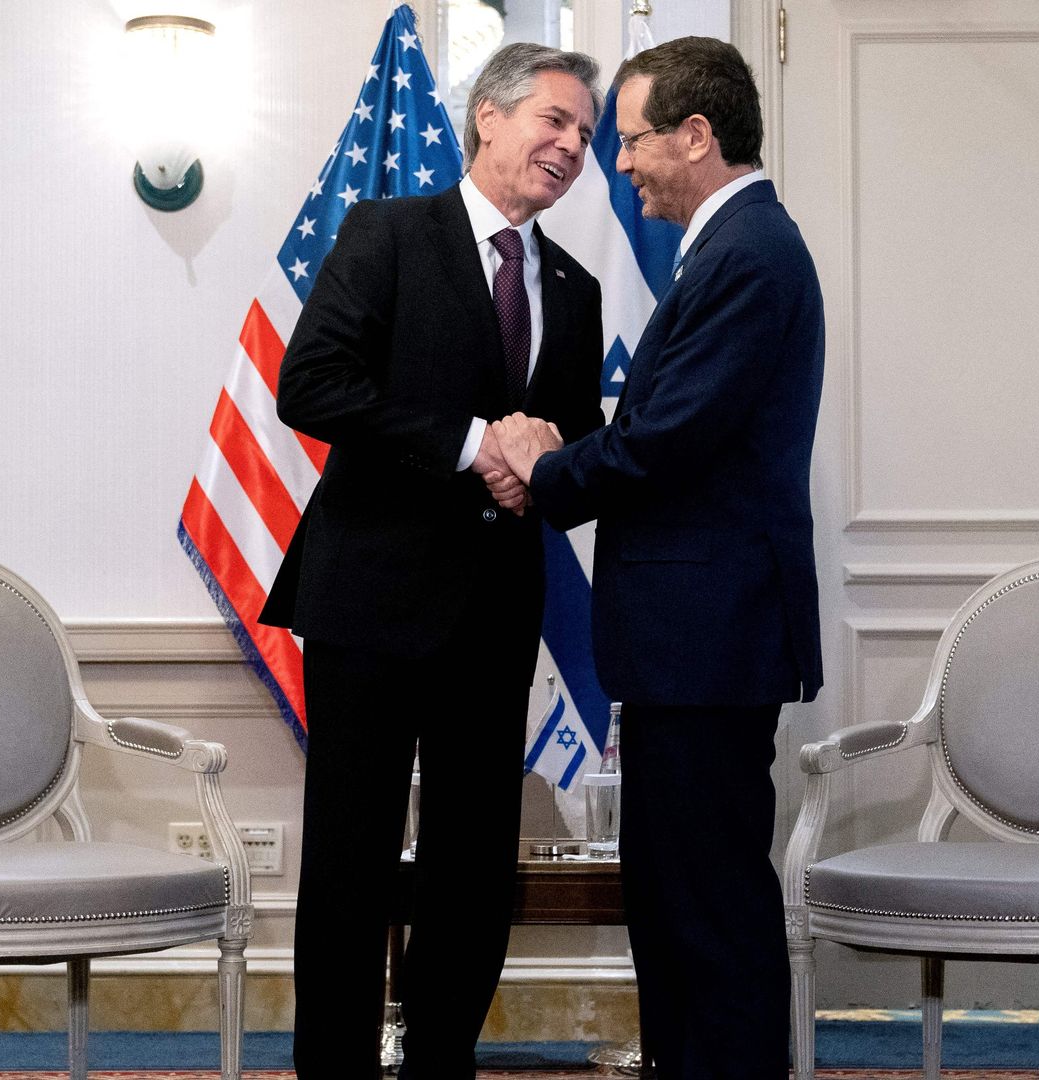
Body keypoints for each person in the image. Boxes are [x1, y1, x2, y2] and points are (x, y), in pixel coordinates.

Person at [259, 42, 608, 1080]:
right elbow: (310, 384)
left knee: (473, 863)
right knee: (351, 858)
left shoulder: (576, 287)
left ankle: (442, 1062)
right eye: (555, 120)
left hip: (495, 610)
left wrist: (540, 464)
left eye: (587, 134)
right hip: (371, 597)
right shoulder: (389, 233)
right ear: (488, 116)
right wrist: (471, 444)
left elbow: (574, 439)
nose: (572, 146)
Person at [492, 36, 825, 1080]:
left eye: (632, 139)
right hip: (694, 642)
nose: (620, 162)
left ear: (697, 134)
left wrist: (544, 467)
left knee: (708, 914)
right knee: (678, 905)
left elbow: (668, 438)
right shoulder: (733, 250)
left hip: (708, 642)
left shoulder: (749, 255)